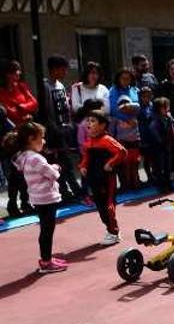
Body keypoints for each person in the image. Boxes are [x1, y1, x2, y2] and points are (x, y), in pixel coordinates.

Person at [5, 122, 67, 272]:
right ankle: (46, 261)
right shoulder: (35, 158)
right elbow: (52, 174)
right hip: (46, 198)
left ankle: (47, 258)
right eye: (42, 138)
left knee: (45, 229)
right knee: (47, 230)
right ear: (31, 139)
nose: (44, 141)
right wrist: (56, 167)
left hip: (38, 198)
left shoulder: (23, 157)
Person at [78, 110, 126, 245]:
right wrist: (83, 167)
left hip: (107, 179)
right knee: (100, 206)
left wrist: (110, 164)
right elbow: (86, 158)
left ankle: (114, 232)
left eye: (93, 121)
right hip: (94, 179)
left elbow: (122, 152)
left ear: (102, 125)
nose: (89, 124)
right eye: (88, 121)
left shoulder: (107, 140)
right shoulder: (89, 143)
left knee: (108, 205)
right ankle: (110, 229)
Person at [38, 55, 80, 201]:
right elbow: (45, 110)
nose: (65, 72)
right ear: (54, 69)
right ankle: (65, 190)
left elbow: (66, 107)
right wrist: (52, 129)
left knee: (66, 161)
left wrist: (69, 124)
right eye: (63, 69)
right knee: (59, 162)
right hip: (53, 131)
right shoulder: (45, 86)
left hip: (64, 128)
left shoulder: (60, 85)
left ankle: (70, 189)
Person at [1, 59, 38, 216]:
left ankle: (26, 201)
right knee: (14, 173)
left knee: (26, 171)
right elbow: (6, 112)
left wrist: (22, 108)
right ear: (7, 74)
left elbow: (33, 102)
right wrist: (21, 113)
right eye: (15, 71)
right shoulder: (1, 90)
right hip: (10, 137)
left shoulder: (22, 86)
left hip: (24, 134)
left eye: (18, 71)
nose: (18, 74)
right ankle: (12, 204)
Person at [75, 99, 105, 205]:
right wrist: (86, 154)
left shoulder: (99, 123)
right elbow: (81, 141)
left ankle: (98, 194)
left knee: (98, 175)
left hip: (98, 154)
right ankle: (85, 196)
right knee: (86, 177)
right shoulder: (83, 124)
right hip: (87, 155)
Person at [148, 97, 174, 191]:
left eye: (167, 107)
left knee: (168, 166)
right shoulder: (154, 119)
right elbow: (153, 131)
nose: (167, 109)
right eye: (164, 107)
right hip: (158, 147)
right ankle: (160, 185)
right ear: (158, 108)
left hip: (167, 145)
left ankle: (169, 184)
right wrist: (160, 142)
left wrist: (171, 119)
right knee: (159, 167)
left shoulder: (168, 118)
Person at [110, 94, 141, 191]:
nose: (124, 106)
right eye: (121, 104)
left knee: (135, 164)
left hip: (135, 143)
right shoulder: (115, 118)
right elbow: (111, 131)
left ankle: (136, 184)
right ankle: (127, 185)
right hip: (123, 144)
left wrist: (127, 106)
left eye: (126, 104)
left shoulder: (134, 113)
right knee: (125, 166)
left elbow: (137, 106)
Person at [136, 87, 155, 185]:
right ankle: (148, 175)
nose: (146, 98)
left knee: (153, 157)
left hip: (153, 135)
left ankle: (154, 175)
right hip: (143, 135)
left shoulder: (153, 106)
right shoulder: (138, 108)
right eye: (144, 96)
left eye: (149, 96)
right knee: (145, 158)